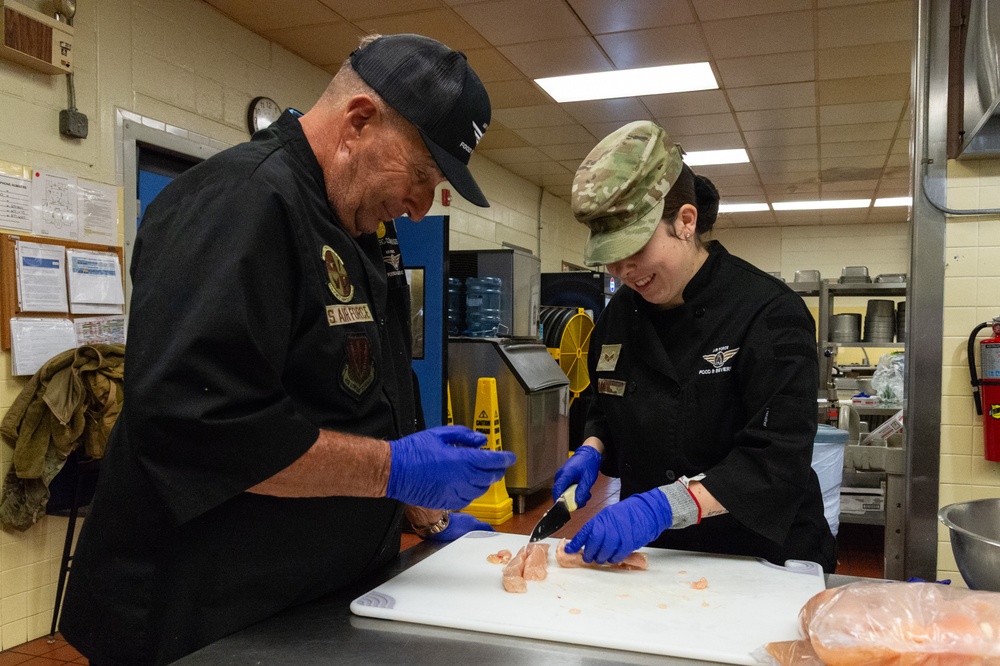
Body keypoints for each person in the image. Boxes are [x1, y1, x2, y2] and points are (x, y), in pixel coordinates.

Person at [60, 33, 514, 665]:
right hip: (197, 619)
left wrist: (420, 510)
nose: (419, 207)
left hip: (307, 605)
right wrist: (392, 468)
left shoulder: (351, 226)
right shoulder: (241, 202)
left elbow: (358, 393)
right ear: (359, 121)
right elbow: (199, 423)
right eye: (421, 176)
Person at [552, 120, 836, 573]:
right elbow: (607, 403)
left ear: (686, 221)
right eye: (611, 256)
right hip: (658, 555)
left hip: (759, 555)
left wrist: (658, 508)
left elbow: (776, 457)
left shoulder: (767, 312)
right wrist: (592, 449)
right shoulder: (619, 315)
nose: (624, 270)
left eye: (636, 248)